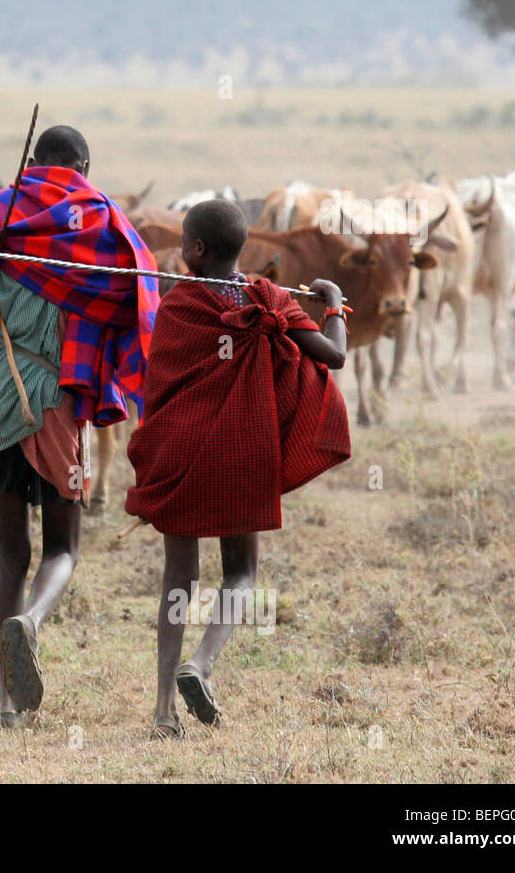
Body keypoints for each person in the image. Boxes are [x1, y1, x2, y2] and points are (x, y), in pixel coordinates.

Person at [0, 125, 161, 729]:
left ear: (34, 162)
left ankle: (5, 704)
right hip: (56, 402)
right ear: (85, 167)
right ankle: (33, 623)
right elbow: (136, 303)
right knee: (64, 546)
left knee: (9, 552)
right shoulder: (104, 224)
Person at [123, 199, 351, 738]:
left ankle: (161, 711)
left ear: (197, 250)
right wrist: (335, 304)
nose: (178, 251)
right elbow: (333, 357)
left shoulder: (179, 304)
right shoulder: (269, 299)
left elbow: (160, 384)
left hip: (181, 449)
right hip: (243, 451)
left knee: (180, 577)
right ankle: (200, 664)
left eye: (182, 242)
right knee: (241, 572)